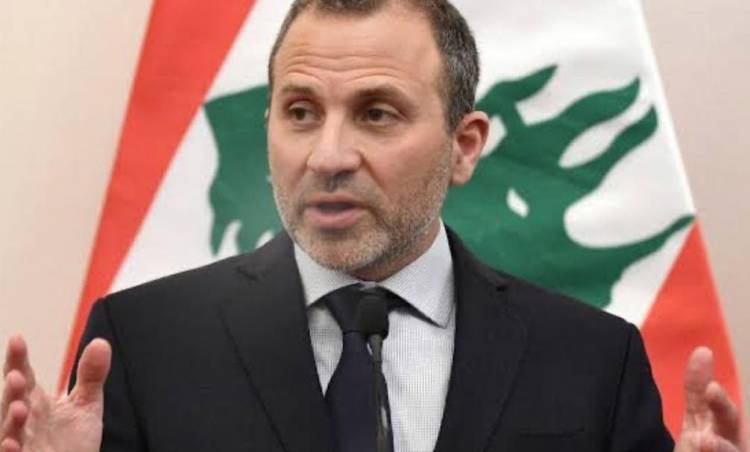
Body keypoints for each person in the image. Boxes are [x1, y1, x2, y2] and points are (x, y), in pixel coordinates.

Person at [1, 1, 743, 451]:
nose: (327, 156)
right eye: (300, 112)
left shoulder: (594, 360)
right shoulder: (142, 344)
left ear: (464, 147)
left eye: (376, 113)